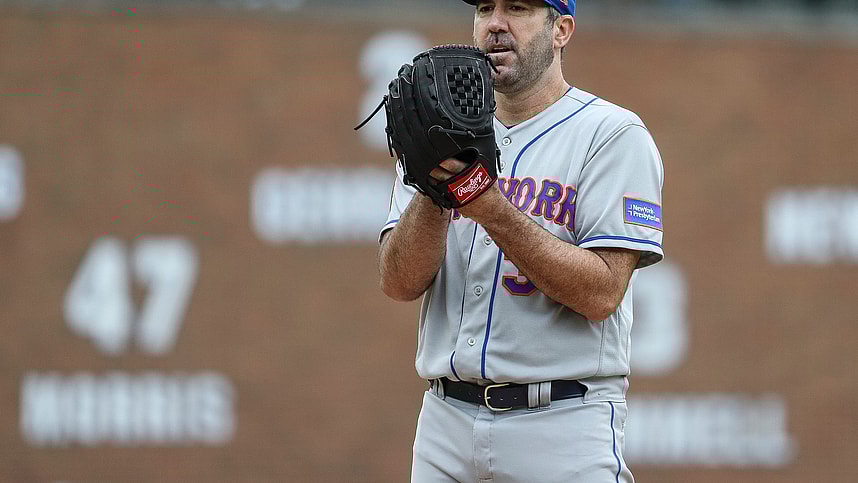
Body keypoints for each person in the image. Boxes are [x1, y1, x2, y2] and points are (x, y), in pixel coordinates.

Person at [378, 1, 664, 481]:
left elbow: (601, 294)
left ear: (561, 30)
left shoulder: (611, 134)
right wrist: (436, 186)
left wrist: (484, 201)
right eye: (485, 8)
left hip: (561, 423)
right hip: (444, 421)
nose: (495, 24)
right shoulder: (439, 129)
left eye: (518, 8)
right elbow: (398, 282)